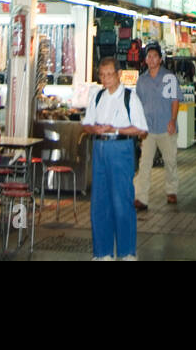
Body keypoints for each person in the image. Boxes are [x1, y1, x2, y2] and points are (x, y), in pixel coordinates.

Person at [82, 56, 148, 260]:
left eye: (110, 74)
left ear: (118, 74)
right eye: (102, 75)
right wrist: (94, 128)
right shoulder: (97, 96)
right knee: (100, 203)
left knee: (122, 201)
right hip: (99, 147)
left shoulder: (130, 98)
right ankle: (102, 253)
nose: (106, 79)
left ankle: (127, 252)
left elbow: (141, 129)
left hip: (120, 149)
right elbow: (86, 123)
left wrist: (115, 128)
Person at [134, 42, 180, 210]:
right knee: (144, 163)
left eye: (154, 56)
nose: (151, 59)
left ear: (160, 59)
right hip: (148, 129)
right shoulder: (142, 80)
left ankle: (171, 190)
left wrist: (173, 120)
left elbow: (175, 100)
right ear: (145, 60)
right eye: (149, 56)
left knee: (170, 161)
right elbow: (138, 104)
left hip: (166, 127)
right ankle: (141, 197)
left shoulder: (169, 77)